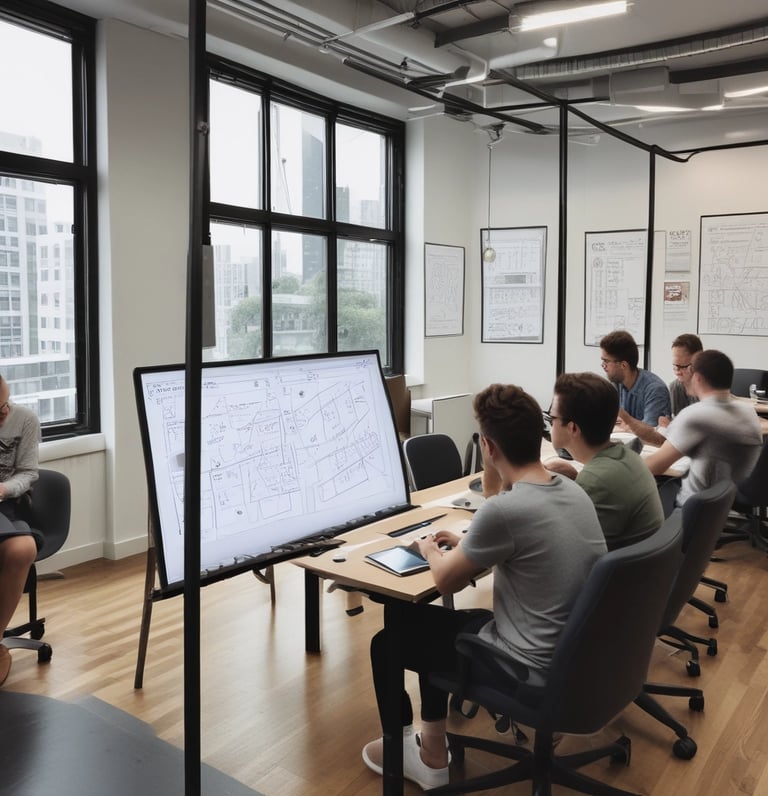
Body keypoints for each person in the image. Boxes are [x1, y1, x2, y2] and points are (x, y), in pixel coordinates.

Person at [362, 384, 606, 790]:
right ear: (540, 435)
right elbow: (523, 542)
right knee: (439, 623)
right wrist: (467, 545)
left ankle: (423, 755)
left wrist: (428, 548)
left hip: (528, 670)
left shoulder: (505, 510)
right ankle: (433, 746)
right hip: (578, 658)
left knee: (392, 638)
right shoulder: (571, 490)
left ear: (487, 448)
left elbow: (444, 579)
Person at [545, 372, 664, 549]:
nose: (550, 422)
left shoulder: (596, 481)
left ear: (573, 428)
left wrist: (501, 489)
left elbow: (555, 550)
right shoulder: (627, 457)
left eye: (552, 417)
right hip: (645, 572)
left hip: (618, 575)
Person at [645, 350, 762, 508]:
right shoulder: (747, 411)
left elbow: (655, 466)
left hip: (694, 505)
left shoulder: (695, 415)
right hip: (729, 493)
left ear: (697, 378)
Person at [0, 375, 42, 686]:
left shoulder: (25, 420)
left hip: (7, 502)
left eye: (5, 403)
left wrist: (3, 489)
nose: (4, 412)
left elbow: (28, 472)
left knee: (22, 548)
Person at [618, 333, 703, 447]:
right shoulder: (676, 387)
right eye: (675, 366)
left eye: (682, 367)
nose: (677, 372)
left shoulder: (709, 386)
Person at [600, 330, 671, 436]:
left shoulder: (655, 390)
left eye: (606, 361)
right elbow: (603, 424)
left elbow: (651, 434)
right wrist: (631, 427)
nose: (603, 365)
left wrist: (625, 423)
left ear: (624, 365)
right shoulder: (615, 383)